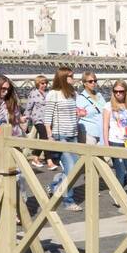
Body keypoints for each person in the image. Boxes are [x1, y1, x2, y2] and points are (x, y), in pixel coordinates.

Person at [44, 67, 83, 211]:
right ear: (63, 78)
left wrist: (79, 114)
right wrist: (49, 135)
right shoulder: (53, 94)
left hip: (73, 134)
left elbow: (73, 113)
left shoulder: (73, 93)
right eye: (71, 76)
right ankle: (69, 200)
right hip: (60, 136)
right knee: (71, 168)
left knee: (77, 167)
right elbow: (48, 116)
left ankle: (55, 185)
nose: (73, 78)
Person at [102, 80, 127, 202]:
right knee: (121, 171)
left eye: (121, 91)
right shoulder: (108, 106)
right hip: (115, 141)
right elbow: (105, 126)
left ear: (125, 92)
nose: (118, 94)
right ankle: (118, 195)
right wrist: (106, 144)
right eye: (116, 91)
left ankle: (115, 189)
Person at [23, 74, 52, 170]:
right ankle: (49, 161)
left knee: (47, 137)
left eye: (46, 83)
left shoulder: (49, 93)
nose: (44, 85)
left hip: (48, 119)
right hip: (38, 118)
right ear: (37, 83)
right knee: (44, 137)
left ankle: (35, 157)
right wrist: (25, 120)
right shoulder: (34, 93)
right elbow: (29, 107)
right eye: (42, 83)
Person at [75, 71, 106, 146]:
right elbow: (77, 116)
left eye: (95, 81)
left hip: (102, 133)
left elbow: (106, 110)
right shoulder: (80, 98)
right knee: (90, 156)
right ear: (84, 83)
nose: (93, 83)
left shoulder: (99, 96)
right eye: (90, 81)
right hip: (89, 134)